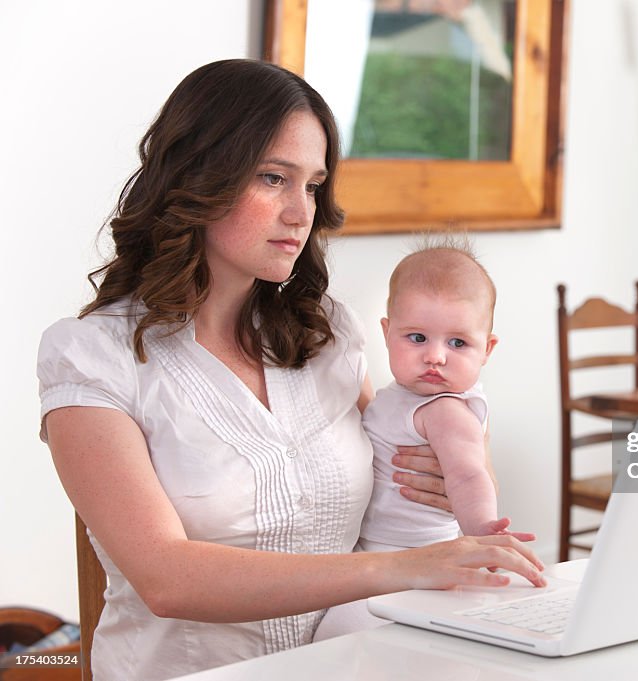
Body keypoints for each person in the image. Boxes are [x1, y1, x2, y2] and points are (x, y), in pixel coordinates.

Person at [36, 59, 544, 681]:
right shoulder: (93, 358)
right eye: (274, 178)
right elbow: (166, 579)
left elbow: (406, 463)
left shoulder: (327, 332)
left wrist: (460, 471)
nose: (301, 213)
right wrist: (409, 567)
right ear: (198, 178)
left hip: (355, 665)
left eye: (312, 185)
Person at [359, 242, 517, 552]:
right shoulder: (404, 396)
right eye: (417, 338)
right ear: (387, 333)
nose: (435, 356)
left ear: (487, 349)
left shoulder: (446, 410)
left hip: (409, 551)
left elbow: (469, 475)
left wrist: (482, 530)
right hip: (379, 549)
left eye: (457, 343)